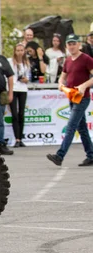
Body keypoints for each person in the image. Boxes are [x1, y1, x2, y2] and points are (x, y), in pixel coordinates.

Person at [46, 34, 93, 167]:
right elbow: (63, 76)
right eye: (69, 44)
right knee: (82, 128)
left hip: (82, 98)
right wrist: (61, 84)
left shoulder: (86, 59)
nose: (72, 46)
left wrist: (84, 85)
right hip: (72, 96)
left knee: (71, 126)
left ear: (79, 45)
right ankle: (91, 155)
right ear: (66, 46)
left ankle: (60, 155)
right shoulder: (68, 60)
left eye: (74, 43)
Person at [7, 43, 30, 147]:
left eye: (22, 50)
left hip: (23, 89)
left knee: (21, 114)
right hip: (13, 88)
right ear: (15, 51)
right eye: (18, 50)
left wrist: (26, 80)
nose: (20, 52)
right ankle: (16, 139)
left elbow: (28, 76)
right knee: (14, 115)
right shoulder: (11, 62)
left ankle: (20, 138)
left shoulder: (26, 63)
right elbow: (8, 76)